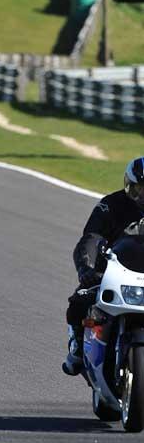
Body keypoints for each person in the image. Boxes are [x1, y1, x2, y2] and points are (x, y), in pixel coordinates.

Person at [63, 157, 144, 376]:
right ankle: (78, 347)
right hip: (117, 270)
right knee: (80, 299)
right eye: (140, 189)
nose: (143, 195)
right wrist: (86, 268)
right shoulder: (112, 205)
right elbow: (91, 238)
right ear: (130, 185)